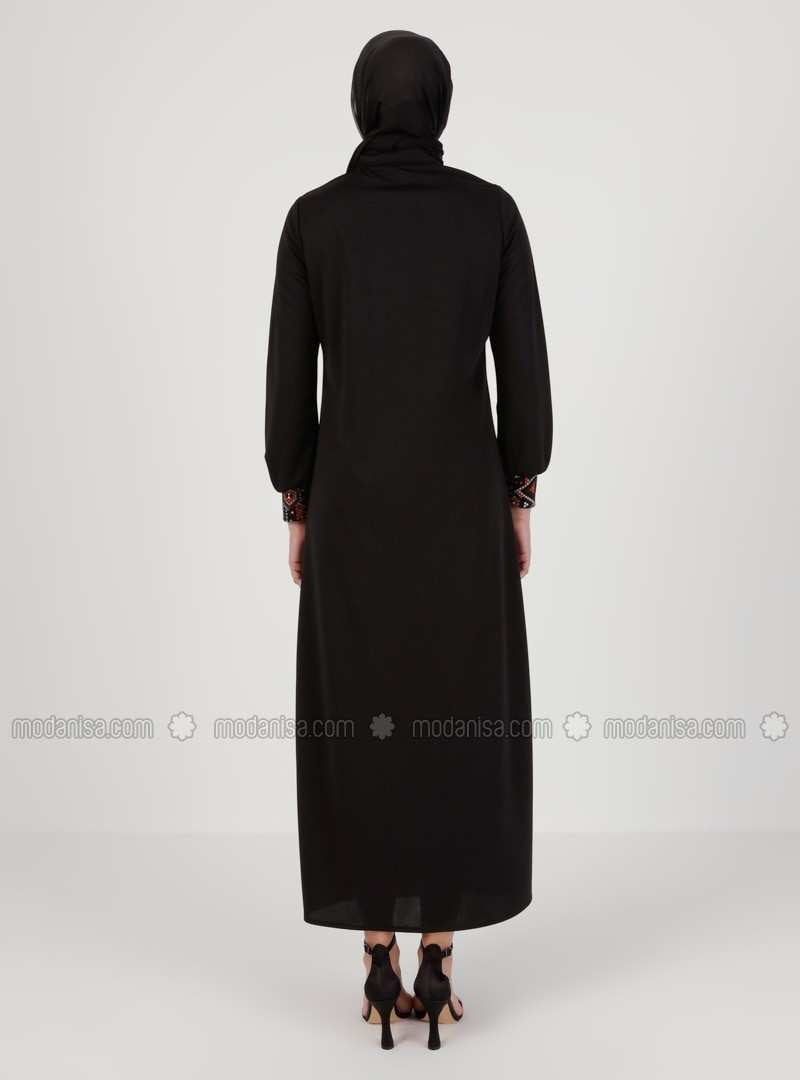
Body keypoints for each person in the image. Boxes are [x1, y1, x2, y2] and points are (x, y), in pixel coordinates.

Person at [265, 29, 552, 1051]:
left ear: (362, 104)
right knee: (454, 717)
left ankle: (377, 955)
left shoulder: (314, 221)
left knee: (363, 719)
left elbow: (287, 385)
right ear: (439, 104)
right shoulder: (490, 215)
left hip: (351, 509)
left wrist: (297, 501)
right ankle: (438, 956)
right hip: (460, 510)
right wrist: (518, 489)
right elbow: (523, 372)